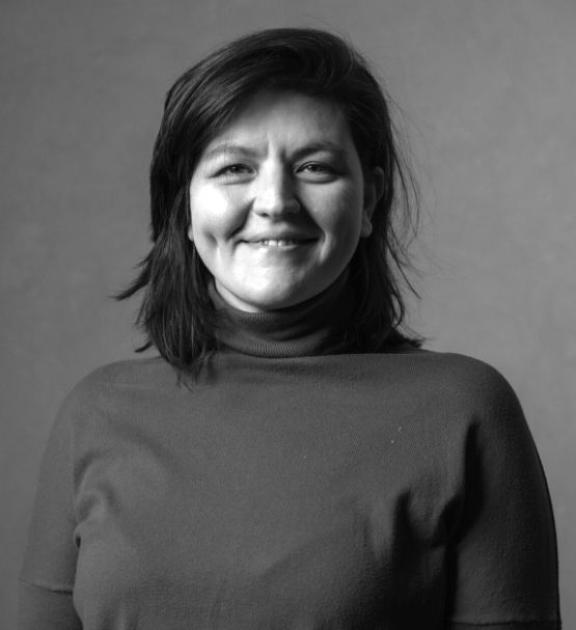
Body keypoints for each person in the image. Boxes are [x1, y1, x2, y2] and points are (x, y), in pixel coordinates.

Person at [18, 28, 561, 630]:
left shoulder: (463, 411)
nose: (275, 200)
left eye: (314, 167)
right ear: (184, 208)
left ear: (370, 202)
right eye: (234, 168)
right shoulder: (96, 411)